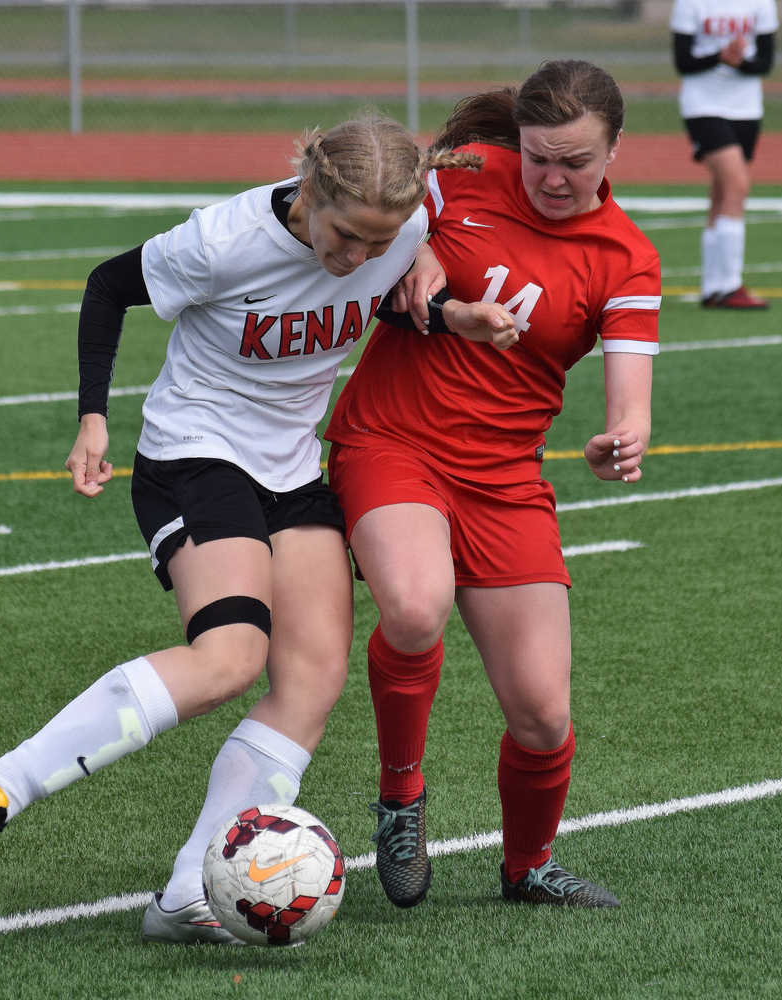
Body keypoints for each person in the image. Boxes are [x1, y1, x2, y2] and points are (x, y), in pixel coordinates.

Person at [0, 113, 479, 945]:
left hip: (291, 470)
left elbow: (395, 275)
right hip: (195, 453)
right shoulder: (223, 242)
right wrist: (91, 419)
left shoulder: (407, 223)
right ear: (312, 193)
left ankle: (190, 889)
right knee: (230, 657)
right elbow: (108, 285)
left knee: (315, 676)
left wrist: (441, 299)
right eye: (348, 235)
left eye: (383, 241)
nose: (361, 257)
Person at [324, 60, 661, 910]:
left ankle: (527, 867)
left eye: (575, 162)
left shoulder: (627, 258)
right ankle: (401, 799)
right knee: (412, 605)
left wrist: (620, 440)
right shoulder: (465, 176)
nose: (551, 177)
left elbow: (631, 398)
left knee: (545, 716)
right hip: (391, 441)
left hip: (506, 475)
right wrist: (422, 247)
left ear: (616, 148)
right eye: (540, 155)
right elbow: (366, 223)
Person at [671, 0, 779, 309]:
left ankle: (713, 287)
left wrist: (739, 63)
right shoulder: (690, 4)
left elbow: (765, 63)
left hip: (746, 108)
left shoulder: (762, 4)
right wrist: (721, 56)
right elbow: (682, 61)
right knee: (737, 185)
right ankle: (730, 284)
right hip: (703, 106)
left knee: (722, 193)